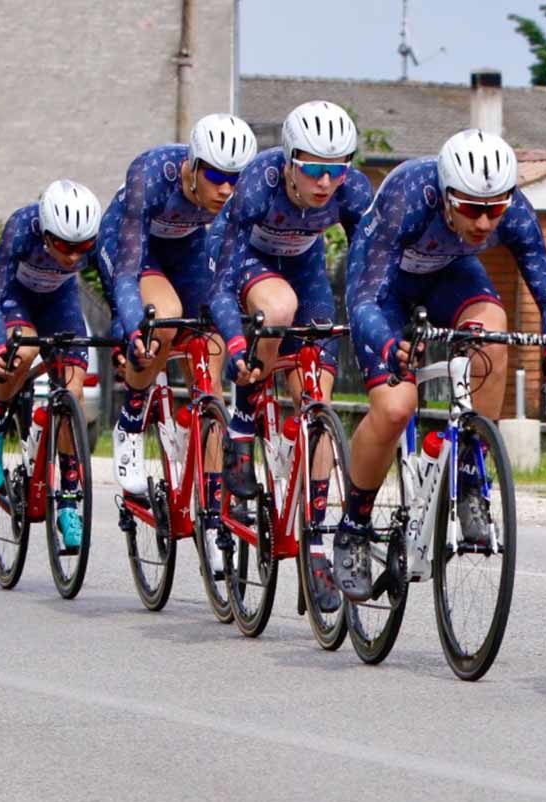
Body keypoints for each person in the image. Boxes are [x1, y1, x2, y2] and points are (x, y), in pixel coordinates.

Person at [335, 128, 546, 601]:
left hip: (448, 273)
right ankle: (354, 524)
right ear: (446, 196)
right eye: (470, 208)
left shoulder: (511, 210)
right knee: (395, 408)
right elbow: (365, 299)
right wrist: (389, 345)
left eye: (495, 209)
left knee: (492, 331)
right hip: (384, 287)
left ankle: (470, 474)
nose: (485, 222)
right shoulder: (409, 196)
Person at [206, 100, 374, 612]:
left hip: (304, 263)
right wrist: (236, 344)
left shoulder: (354, 192)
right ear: (288, 161)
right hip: (246, 262)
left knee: (316, 396)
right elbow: (220, 285)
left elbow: (371, 270)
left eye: (337, 168)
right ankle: (241, 420)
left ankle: (318, 542)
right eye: (314, 168)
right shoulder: (257, 184)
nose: (326, 181)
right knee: (279, 307)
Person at [97, 113, 257, 522]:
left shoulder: (234, 194)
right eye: (216, 176)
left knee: (212, 337)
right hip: (134, 245)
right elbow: (128, 273)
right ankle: (131, 421)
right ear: (192, 164)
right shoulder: (152, 174)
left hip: (185, 246)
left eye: (236, 178)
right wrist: (133, 326)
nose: (226, 188)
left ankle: (213, 490)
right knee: (163, 317)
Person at [0, 179, 102, 551]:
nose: (74, 257)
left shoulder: (88, 243)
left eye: (83, 248)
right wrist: (1, 346)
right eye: (64, 246)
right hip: (16, 298)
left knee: (73, 393)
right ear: (46, 234)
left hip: (59, 301)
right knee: (23, 353)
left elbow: (114, 285)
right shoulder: (21, 229)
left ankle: (68, 502)